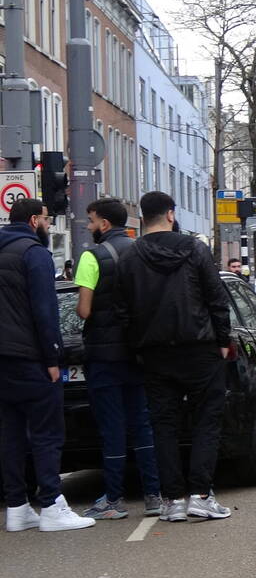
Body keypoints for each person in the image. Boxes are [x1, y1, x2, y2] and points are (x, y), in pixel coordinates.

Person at [117, 191, 233, 522]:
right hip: (199, 347)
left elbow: (122, 309)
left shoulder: (130, 256)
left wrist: (136, 346)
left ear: (142, 217)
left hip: (154, 353)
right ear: (171, 214)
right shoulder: (194, 249)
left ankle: (172, 501)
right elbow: (216, 297)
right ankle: (200, 494)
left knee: (163, 425)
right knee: (207, 420)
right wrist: (222, 339)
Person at [0, 199, 95, 532]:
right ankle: (53, 504)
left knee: (10, 434)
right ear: (32, 221)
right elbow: (44, 310)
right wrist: (53, 358)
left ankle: (17, 507)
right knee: (46, 433)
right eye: (46, 220)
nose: (49, 226)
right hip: (29, 357)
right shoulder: (34, 254)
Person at [75, 198, 162, 520]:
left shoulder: (91, 256)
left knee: (112, 428)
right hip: (139, 353)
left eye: (91, 220)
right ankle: (153, 495)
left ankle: (113, 499)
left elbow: (83, 310)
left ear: (104, 225)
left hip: (104, 356)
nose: (88, 226)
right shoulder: (143, 251)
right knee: (142, 424)